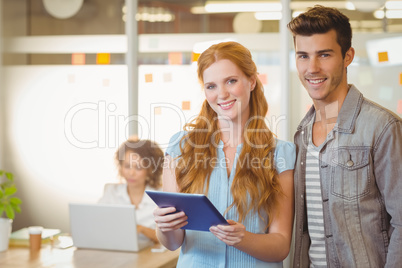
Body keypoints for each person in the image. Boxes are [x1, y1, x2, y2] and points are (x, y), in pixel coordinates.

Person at [153, 41, 296, 267]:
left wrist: (243, 238)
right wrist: (165, 226)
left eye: (231, 81)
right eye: (211, 86)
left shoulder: (280, 153)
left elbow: (281, 246)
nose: (222, 94)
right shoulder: (181, 147)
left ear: (251, 81)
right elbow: (173, 243)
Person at [287, 5, 402, 268]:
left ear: (347, 56)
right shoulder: (300, 135)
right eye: (303, 56)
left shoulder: (382, 127)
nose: (312, 68)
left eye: (324, 55)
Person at [98, 136, 164, 244]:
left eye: (138, 168)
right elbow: (96, 223)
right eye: (127, 166)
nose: (131, 173)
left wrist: (142, 229)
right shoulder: (111, 192)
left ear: (150, 170)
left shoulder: (161, 196)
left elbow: (172, 239)